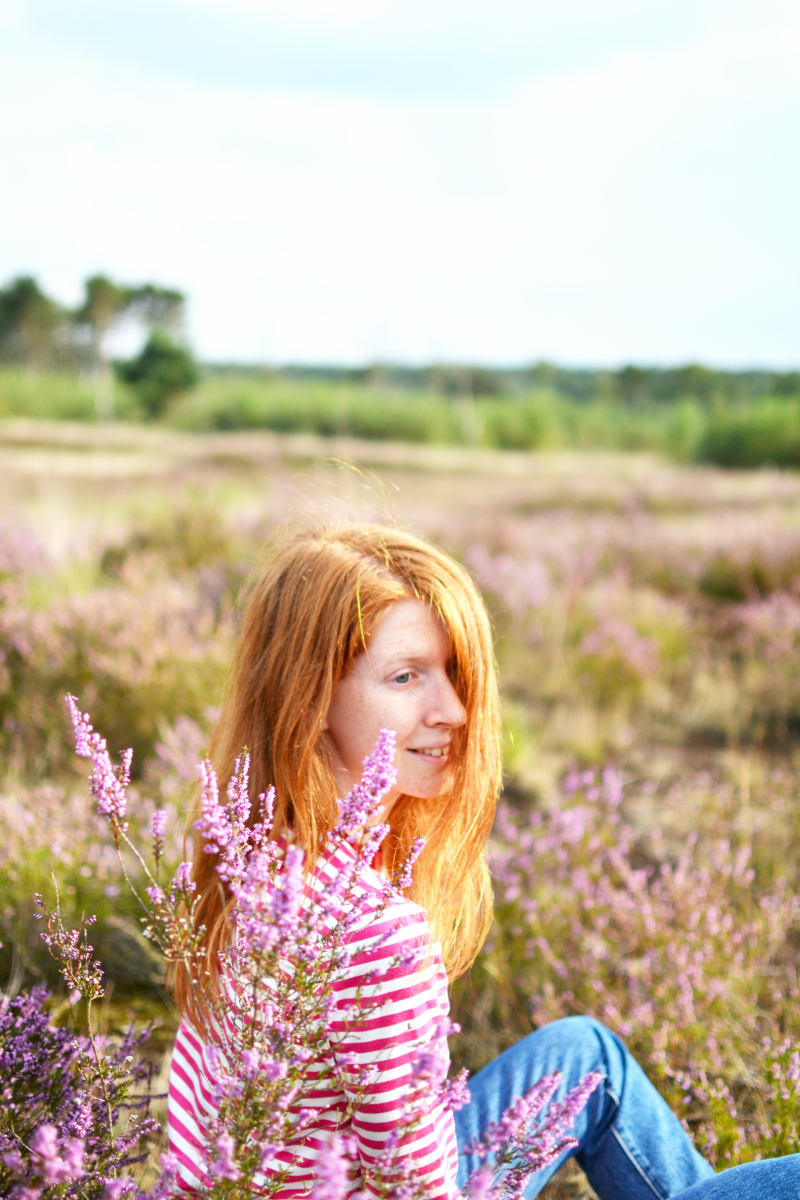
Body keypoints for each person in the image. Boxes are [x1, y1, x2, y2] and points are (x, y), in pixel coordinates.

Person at [167, 523, 800, 1199]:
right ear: (311, 696)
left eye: (453, 672)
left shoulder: (249, 859)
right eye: (405, 675)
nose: (455, 710)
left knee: (589, 1058)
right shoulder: (377, 937)